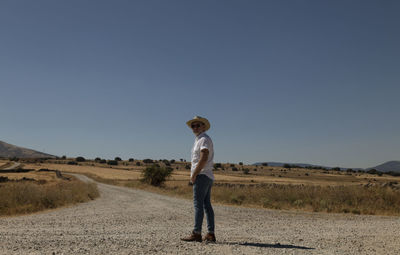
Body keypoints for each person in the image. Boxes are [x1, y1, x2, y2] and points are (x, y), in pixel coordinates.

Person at [181, 116, 216, 243]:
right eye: (193, 126)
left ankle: (196, 233)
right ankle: (210, 234)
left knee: (198, 205)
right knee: (206, 205)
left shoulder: (203, 139)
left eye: (198, 125)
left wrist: (194, 174)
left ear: (204, 127)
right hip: (207, 175)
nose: (195, 127)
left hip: (202, 175)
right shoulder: (200, 139)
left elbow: (204, 156)